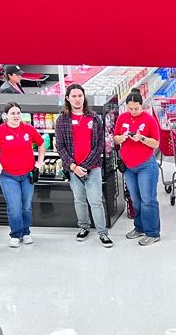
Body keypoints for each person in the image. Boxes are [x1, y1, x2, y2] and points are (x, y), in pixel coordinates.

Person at [56, 83, 111, 246]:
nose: (77, 99)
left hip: (92, 168)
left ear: (84, 97)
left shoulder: (93, 117)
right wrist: (73, 166)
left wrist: (85, 166)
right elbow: (60, 146)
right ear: (67, 98)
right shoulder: (62, 120)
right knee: (79, 200)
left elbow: (99, 145)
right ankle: (84, 227)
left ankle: (102, 232)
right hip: (73, 169)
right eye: (73, 96)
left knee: (95, 201)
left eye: (80, 95)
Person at [0, 102, 46, 247]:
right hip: (8, 176)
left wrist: (40, 161)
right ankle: (15, 233)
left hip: (27, 175)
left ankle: (26, 232)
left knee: (26, 206)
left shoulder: (28, 129)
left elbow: (41, 143)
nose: (16, 116)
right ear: (6, 115)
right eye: (12, 113)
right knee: (14, 206)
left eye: (18, 113)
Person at [115, 91, 162, 245]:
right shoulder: (122, 118)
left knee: (148, 200)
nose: (133, 112)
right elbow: (115, 137)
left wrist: (141, 138)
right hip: (128, 167)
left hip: (146, 166)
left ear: (142, 106)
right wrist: (121, 138)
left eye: (136, 108)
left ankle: (153, 233)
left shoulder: (150, 120)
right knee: (135, 200)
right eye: (130, 108)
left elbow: (156, 143)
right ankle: (139, 227)